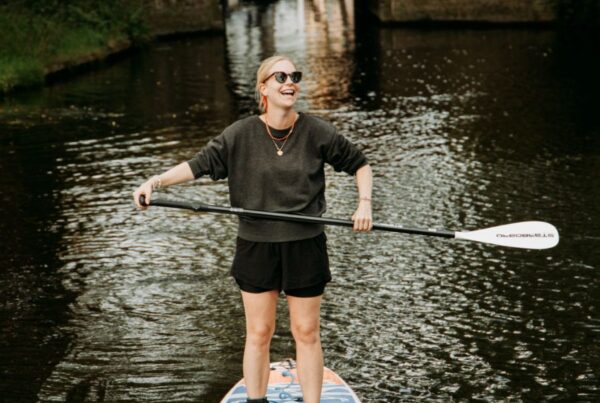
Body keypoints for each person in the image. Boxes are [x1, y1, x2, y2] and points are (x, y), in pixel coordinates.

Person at [133, 55, 373, 403]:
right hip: (256, 245)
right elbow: (198, 165)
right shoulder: (240, 134)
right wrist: (154, 183)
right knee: (259, 333)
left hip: (305, 243)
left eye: (295, 76)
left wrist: (363, 203)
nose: (290, 81)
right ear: (264, 88)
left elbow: (361, 164)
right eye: (281, 76)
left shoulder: (317, 131)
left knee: (306, 332)